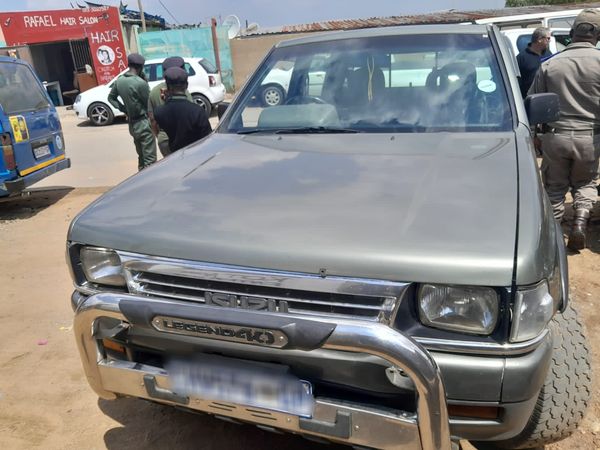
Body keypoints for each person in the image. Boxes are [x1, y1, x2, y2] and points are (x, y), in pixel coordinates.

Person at [528, 9, 600, 250]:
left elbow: (533, 102)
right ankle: (579, 222)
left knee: (555, 187)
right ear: (597, 36)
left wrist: (536, 136)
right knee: (586, 183)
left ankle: (555, 235)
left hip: (555, 137)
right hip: (590, 137)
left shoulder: (549, 64)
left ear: (571, 34)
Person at [108, 53, 157, 171]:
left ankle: (140, 182)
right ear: (140, 67)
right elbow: (149, 104)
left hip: (132, 125)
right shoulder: (140, 83)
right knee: (150, 160)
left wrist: (124, 109)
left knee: (141, 157)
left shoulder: (120, 81)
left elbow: (111, 98)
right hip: (144, 123)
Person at [153, 67, 212, 153]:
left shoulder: (159, 112)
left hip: (174, 155)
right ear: (187, 85)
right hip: (196, 155)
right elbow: (208, 138)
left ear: (167, 86)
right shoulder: (197, 111)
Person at [147, 56, 193, 157]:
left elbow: (152, 120)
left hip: (164, 140)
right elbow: (191, 116)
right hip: (183, 139)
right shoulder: (183, 91)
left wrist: (159, 135)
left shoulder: (154, 92)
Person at [517, 27, 551, 98]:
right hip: (530, 99)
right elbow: (517, 82)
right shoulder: (521, 58)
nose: (549, 41)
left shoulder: (548, 54)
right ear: (539, 39)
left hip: (548, 96)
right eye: (548, 38)